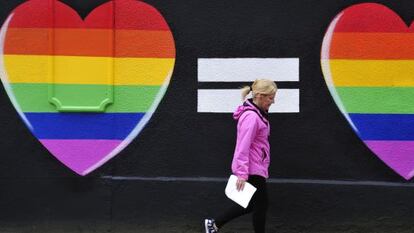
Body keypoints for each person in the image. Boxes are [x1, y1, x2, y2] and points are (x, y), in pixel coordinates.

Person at [204, 79, 277, 233]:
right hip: (252, 168)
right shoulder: (251, 117)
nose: (273, 101)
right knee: (261, 205)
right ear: (259, 95)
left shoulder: (258, 114)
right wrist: (242, 173)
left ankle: (214, 224)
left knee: (252, 204)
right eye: (270, 97)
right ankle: (213, 224)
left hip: (256, 165)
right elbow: (242, 147)